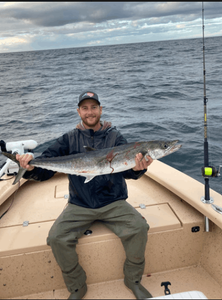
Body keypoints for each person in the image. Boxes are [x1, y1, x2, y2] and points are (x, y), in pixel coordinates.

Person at [16, 91, 153, 299]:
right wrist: (28, 166)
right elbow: (45, 169)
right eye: (85, 108)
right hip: (80, 203)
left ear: (100, 109)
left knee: (140, 227)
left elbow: (127, 172)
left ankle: (133, 280)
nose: (90, 112)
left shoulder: (115, 137)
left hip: (113, 201)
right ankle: (77, 287)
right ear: (79, 111)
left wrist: (137, 169)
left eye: (94, 107)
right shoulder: (68, 139)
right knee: (56, 238)